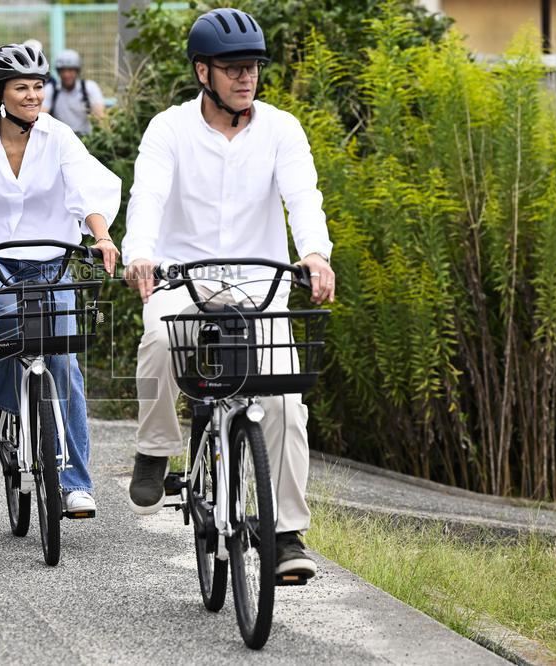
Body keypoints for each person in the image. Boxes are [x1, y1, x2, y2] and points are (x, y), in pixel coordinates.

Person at [121, 9, 335, 579]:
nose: (247, 77)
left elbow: (303, 197)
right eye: (234, 67)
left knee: (287, 403)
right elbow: (147, 197)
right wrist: (140, 252)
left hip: (257, 282)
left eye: (254, 67)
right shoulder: (168, 129)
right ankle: (156, 447)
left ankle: (285, 533)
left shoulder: (282, 129)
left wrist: (315, 253)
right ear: (202, 72)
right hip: (180, 276)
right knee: (158, 339)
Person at [0, 43, 121, 516]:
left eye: (37, 86)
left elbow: (84, 188)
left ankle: (75, 484)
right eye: (21, 88)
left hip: (53, 258)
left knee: (66, 363)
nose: (33, 96)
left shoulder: (60, 137)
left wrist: (103, 236)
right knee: (5, 316)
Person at [42, 49, 105, 137]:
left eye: (70, 70)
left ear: (77, 71)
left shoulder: (89, 88)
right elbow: (41, 116)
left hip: (86, 139)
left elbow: (100, 117)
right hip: (60, 139)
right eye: (62, 70)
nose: (66, 75)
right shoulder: (51, 90)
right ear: (58, 72)